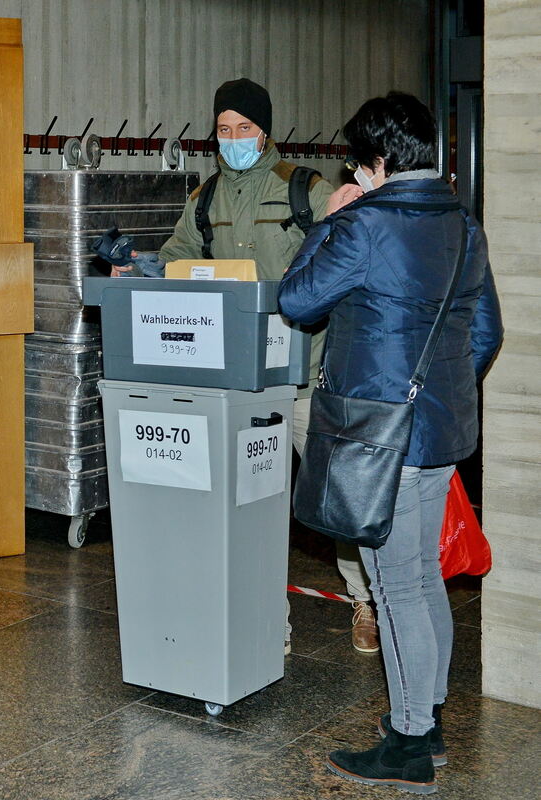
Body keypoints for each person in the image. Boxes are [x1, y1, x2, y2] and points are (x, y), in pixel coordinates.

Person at [278, 92, 502, 794]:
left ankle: (407, 743)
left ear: (374, 161)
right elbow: (487, 334)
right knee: (419, 577)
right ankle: (424, 719)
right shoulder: (463, 223)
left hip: (380, 436)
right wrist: (436, 399)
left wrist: (331, 219)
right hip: (440, 433)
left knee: (395, 582)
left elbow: (296, 299)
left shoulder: (366, 223)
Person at [115, 78, 379, 654]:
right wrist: (142, 267)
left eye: (245, 129)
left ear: (265, 131)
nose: (234, 139)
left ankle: (366, 599)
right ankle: (265, 617)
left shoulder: (303, 189)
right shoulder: (204, 197)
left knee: (339, 496)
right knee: (247, 504)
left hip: (306, 373)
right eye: (224, 130)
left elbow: (341, 266)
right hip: (237, 378)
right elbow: (181, 256)